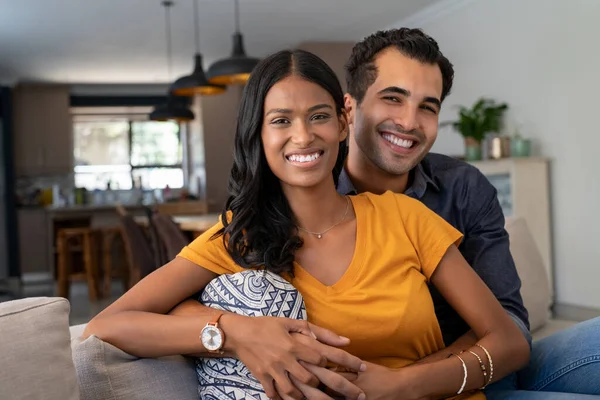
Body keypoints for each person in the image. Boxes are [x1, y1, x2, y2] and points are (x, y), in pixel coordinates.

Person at [82, 48, 530, 400]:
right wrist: (233, 331)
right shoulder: (237, 237)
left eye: (318, 116)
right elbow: (104, 326)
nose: (303, 136)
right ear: (258, 135)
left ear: (342, 123)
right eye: (281, 121)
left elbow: (509, 341)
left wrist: (401, 386)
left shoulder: (404, 216)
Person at [336, 28, 600, 400]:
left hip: (485, 369)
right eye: (393, 98)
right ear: (349, 109)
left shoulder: (464, 187)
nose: (410, 122)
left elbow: (510, 321)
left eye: (427, 106)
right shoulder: (314, 193)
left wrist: (407, 384)